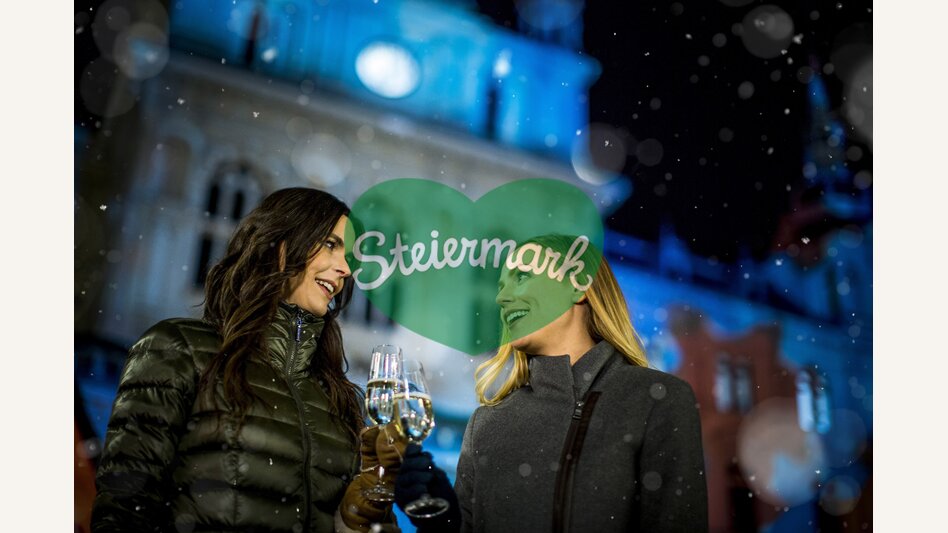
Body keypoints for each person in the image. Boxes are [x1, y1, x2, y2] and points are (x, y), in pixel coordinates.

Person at [91, 187, 401, 533]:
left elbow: (367, 527)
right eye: (330, 244)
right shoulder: (180, 349)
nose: (345, 268)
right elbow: (125, 508)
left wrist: (364, 511)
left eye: (350, 258)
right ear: (280, 245)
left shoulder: (341, 399)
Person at [394, 234, 709, 532]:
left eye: (521, 277)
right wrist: (442, 520)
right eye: (501, 286)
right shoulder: (486, 424)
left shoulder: (657, 400)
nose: (502, 297)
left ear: (579, 286)